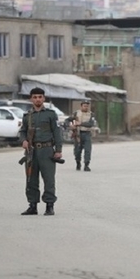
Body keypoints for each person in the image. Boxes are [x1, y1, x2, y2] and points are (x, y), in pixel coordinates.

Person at [19, 88, 63, 216]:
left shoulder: (50, 114)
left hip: (46, 150)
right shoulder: (28, 116)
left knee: (48, 179)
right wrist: (23, 141)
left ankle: (49, 206)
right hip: (31, 151)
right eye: (35, 97)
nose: (37, 99)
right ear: (31, 99)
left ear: (44, 98)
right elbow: (23, 131)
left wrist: (58, 150)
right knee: (31, 179)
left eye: (40, 97)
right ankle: (32, 205)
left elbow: (56, 132)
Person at [65, 100, 96, 171]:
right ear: (81, 106)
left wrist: (80, 124)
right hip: (78, 134)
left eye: (87, 106)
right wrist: (70, 126)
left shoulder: (91, 114)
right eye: (84, 106)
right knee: (77, 151)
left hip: (87, 134)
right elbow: (67, 120)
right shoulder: (76, 113)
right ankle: (78, 163)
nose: (86, 107)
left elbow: (90, 124)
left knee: (87, 150)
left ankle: (86, 165)